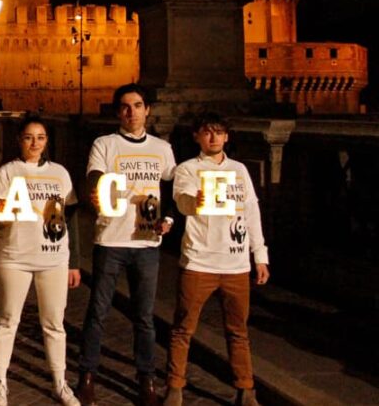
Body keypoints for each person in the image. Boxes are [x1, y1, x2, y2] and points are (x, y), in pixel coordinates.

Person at [77, 84, 176, 406]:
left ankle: (146, 378)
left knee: (144, 317)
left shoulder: (162, 148)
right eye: (124, 106)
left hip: (147, 243)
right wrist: (95, 195)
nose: (131, 112)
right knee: (98, 311)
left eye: (136, 105)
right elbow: (94, 178)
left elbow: (173, 192)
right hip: (111, 239)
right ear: (118, 112)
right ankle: (87, 375)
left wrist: (169, 221)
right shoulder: (105, 144)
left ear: (147, 110)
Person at [164, 114, 269, 406]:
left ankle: (246, 389)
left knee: (238, 331)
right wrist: (194, 201)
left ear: (226, 137)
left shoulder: (240, 171)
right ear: (197, 136)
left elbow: (251, 213)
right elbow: (183, 203)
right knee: (183, 328)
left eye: (219, 133)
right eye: (207, 133)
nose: (213, 138)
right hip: (200, 262)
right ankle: (174, 386)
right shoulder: (187, 169)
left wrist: (260, 255)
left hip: (235, 264)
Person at [0, 115, 81, 406]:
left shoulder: (60, 173)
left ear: (47, 141)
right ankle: (0, 382)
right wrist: (0, 213)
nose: (34, 143)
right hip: (15, 256)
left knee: (54, 323)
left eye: (40, 137)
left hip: (53, 258)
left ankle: (60, 383)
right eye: (29, 137)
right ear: (19, 140)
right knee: (7, 320)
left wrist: (74, 261)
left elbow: (71, 219)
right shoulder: (7, 172)